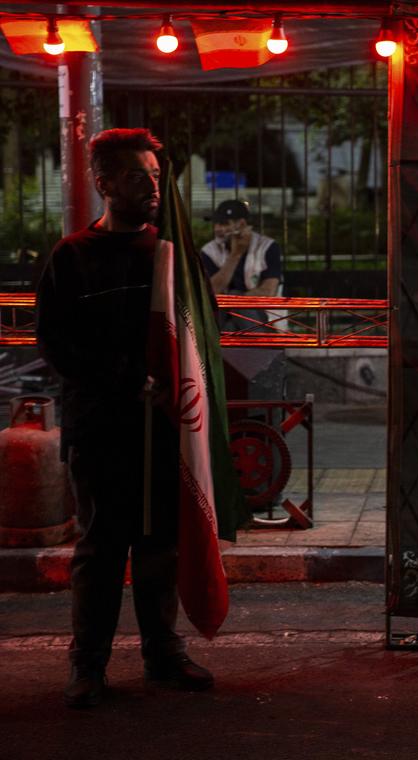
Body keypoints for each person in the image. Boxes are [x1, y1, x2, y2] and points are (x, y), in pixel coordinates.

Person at [35, 128, 214, 708]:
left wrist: (179, 388)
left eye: (157, 177)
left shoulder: (171, 253)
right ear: (104, 182)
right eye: (138, 176)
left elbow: (199, 333)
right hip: (100, 427)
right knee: (101, 548)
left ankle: (164, 655)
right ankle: (88, 665)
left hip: (163, 426)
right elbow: (57, 344)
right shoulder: (72, 257)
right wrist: (125, 378)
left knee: (160, 545)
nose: (152, 186)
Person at [199, 199, 283, 332]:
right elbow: (210, 292)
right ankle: (264, 350)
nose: (217, 229)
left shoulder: (267, 247)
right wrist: (235, 255)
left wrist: (235, 300)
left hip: (262, 316)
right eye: (216, 224)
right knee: (229, 320)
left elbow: (268, 291)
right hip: (222, 315)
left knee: (234, 316)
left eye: (224, 224)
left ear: (241, 224)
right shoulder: (209, 251)